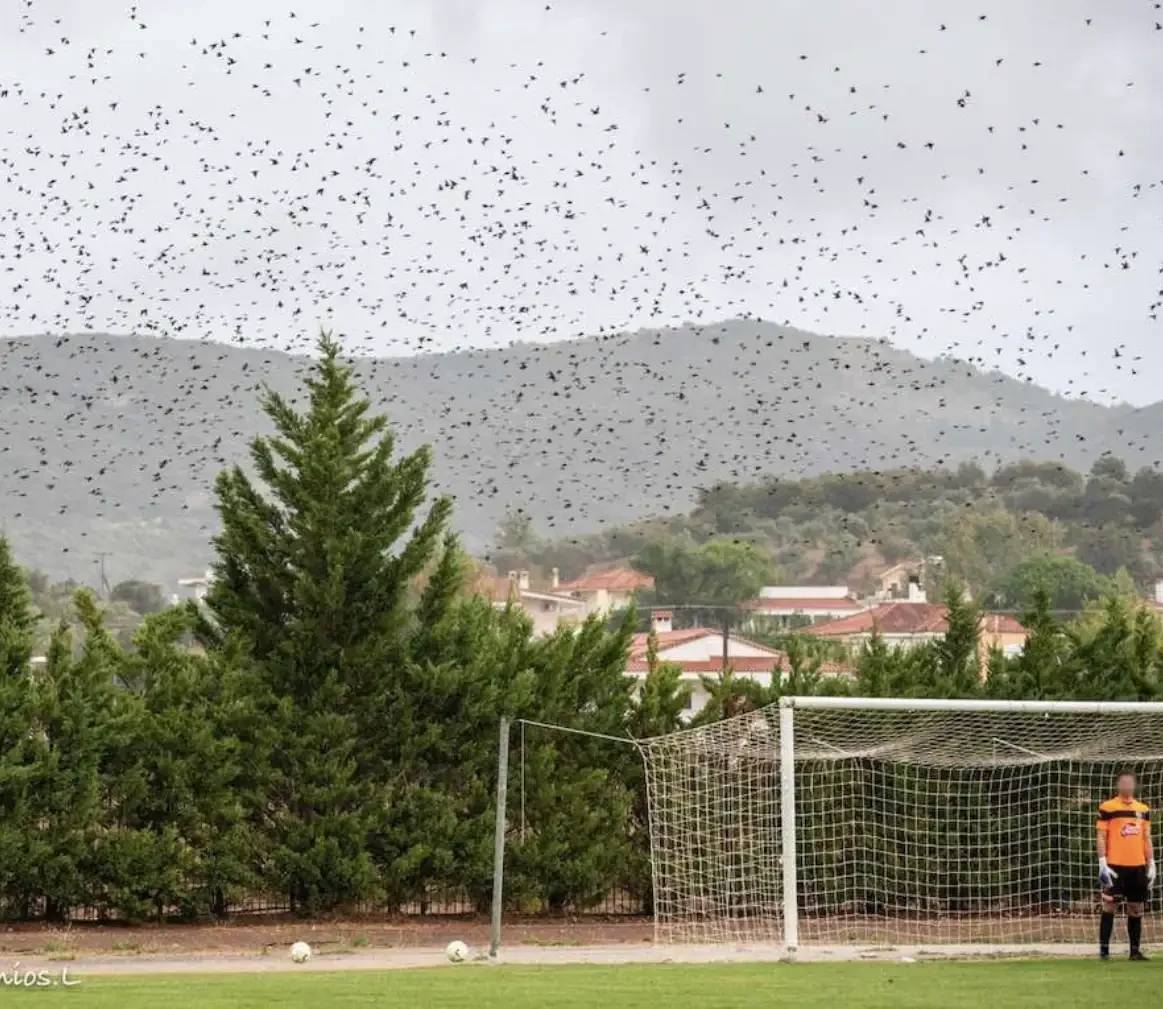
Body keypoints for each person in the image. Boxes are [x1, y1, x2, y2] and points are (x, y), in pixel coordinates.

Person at [1097, 770, 1156, 960]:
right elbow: (1101, 836)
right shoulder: (1108, 807)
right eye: (1123, 782)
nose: (1127, 786)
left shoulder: (1143, 809)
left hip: (1137, 866)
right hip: (1114, 866)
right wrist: (1102, 862)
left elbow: (1147, 838)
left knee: (1136, 908)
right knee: (1109, 907)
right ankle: (1104, 952)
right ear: (1117, 785)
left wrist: (1151, 862)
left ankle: (1135, 951)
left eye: (1130, 782)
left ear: (1134, 785)